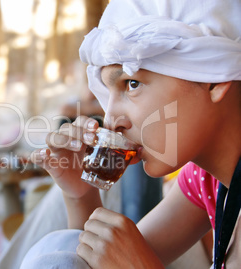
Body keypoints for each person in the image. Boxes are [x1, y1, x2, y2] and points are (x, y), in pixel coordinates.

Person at [25, 0, 241, 268]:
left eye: (132, 84)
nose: (110, 121)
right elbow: (100, 261)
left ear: (215, 78)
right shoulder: (205, 181)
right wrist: (81, 194)